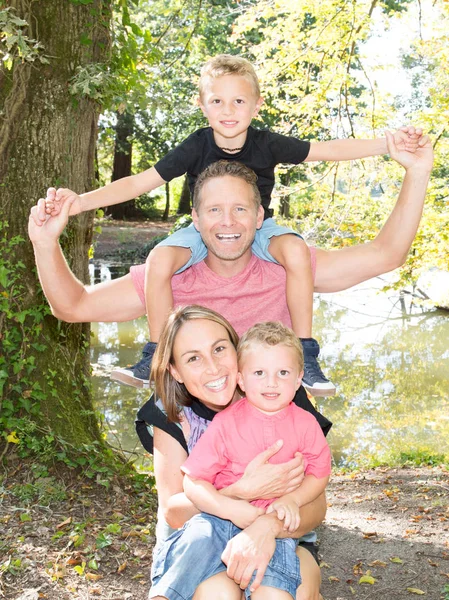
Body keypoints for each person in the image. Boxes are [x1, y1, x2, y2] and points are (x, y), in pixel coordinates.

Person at [41, 54, 423, 397]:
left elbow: (330, 154)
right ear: (202, 105)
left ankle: (307, 351)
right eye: (218, 101)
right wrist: (78, 205)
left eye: (238, 101)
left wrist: (392, 150)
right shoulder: (194, 151)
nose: (228, 110)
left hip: (268, 239)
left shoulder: (270, 165)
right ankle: (154, 356)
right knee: (159, 256)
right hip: (199, 432)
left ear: (256, 106)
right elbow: (139, 184)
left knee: (294, 250)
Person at [147, 306, 327, 600]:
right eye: (193, 358)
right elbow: (175, 512)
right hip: (198, 542)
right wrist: (242, 490)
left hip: (283, 534)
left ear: (236, 349)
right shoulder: (170, 415)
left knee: (284, 592)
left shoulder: (280, 395)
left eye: (219, 349)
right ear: (175, 371)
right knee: (216, 595)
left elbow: (318, 504)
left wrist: (268, 527)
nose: (213, 367)